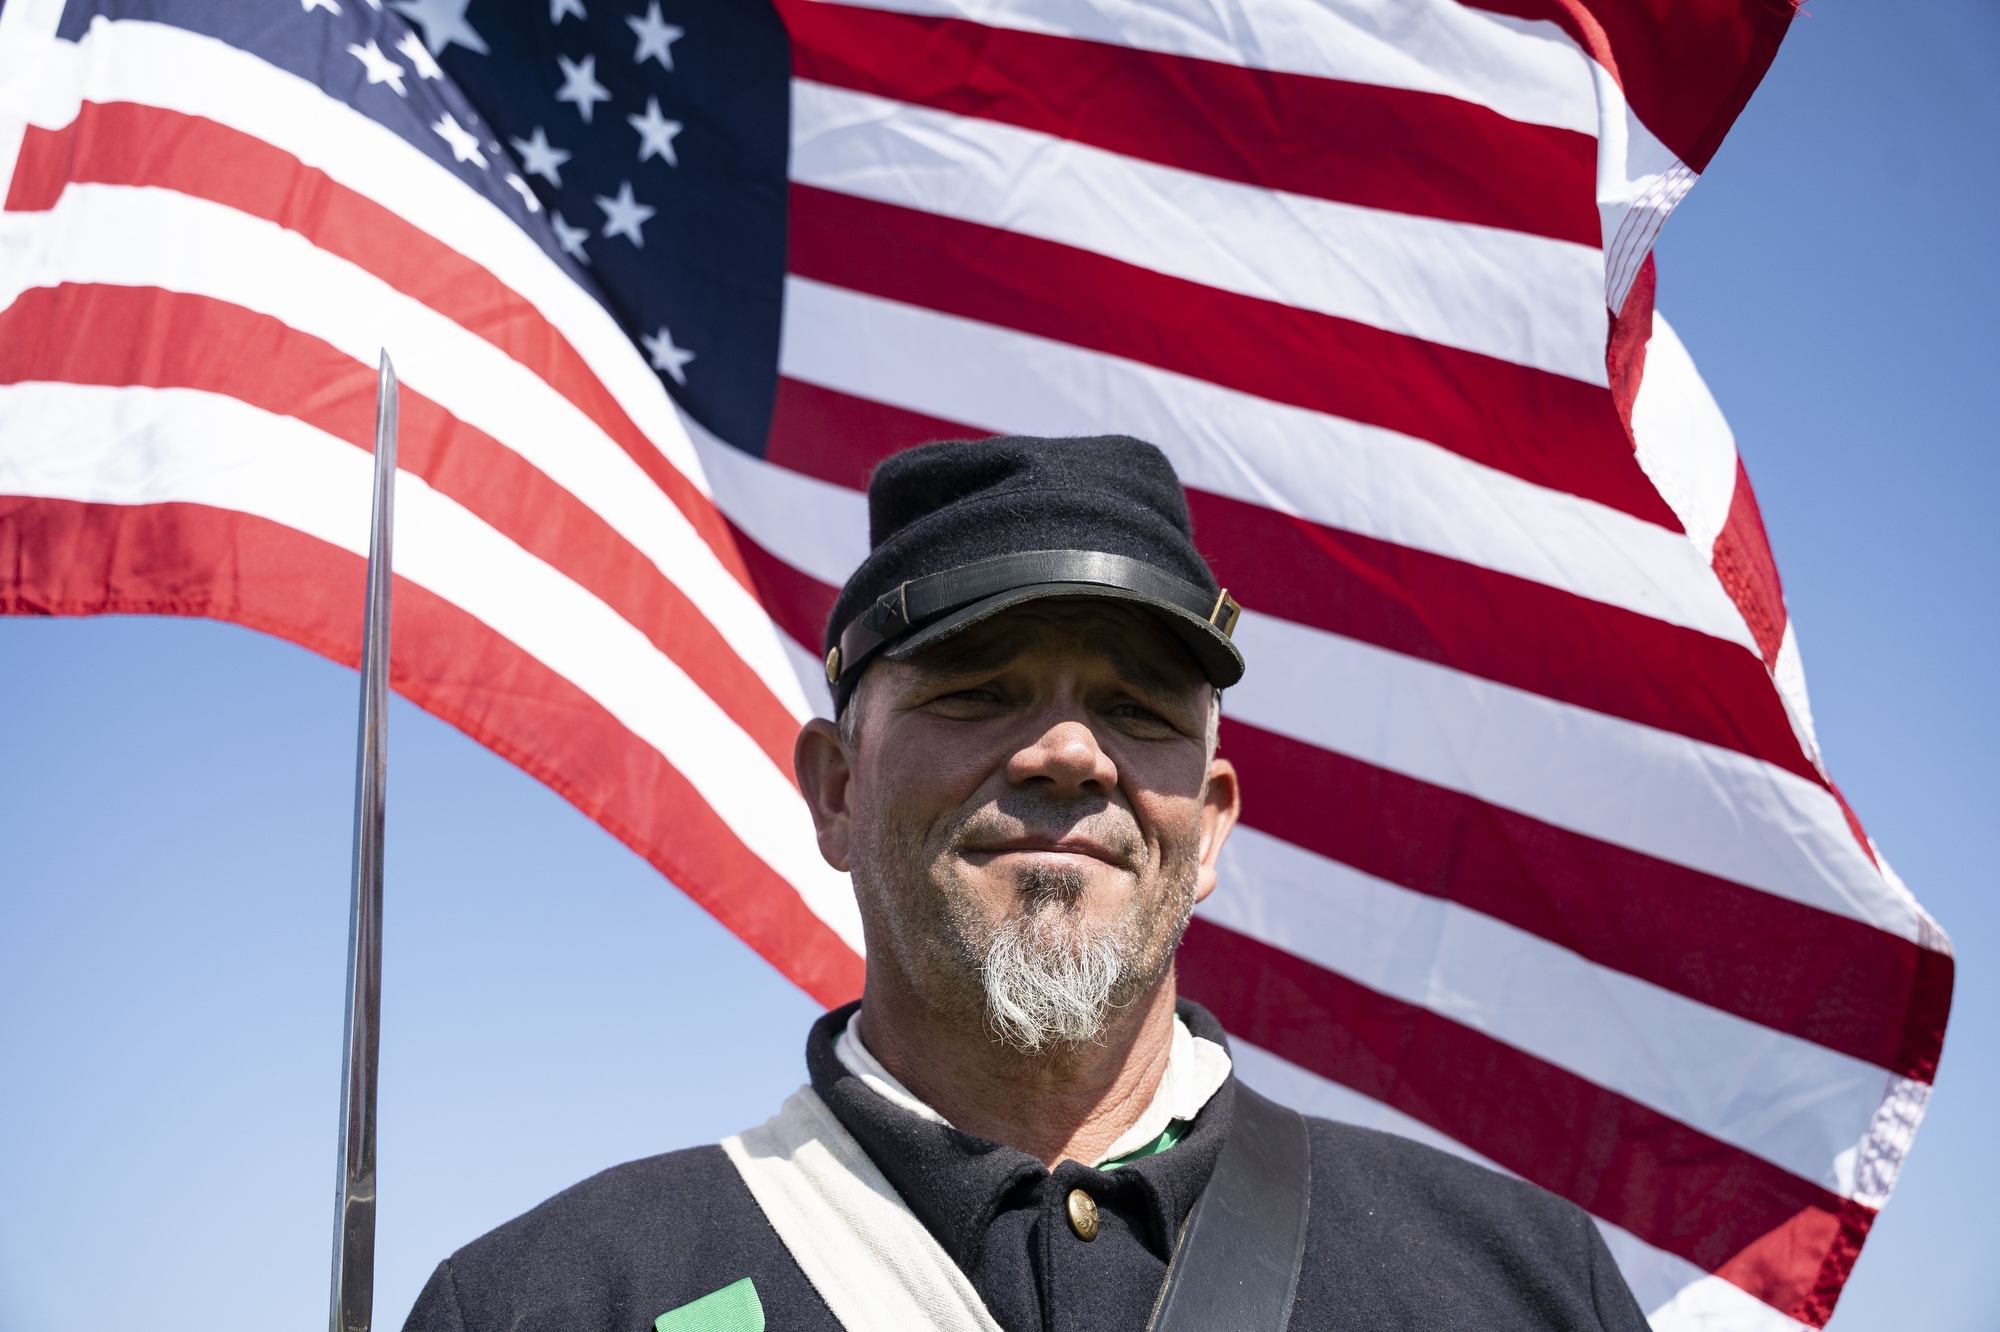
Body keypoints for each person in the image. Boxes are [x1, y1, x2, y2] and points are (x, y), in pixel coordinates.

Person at [403, 435, 1649, 1332]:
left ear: (1207, 827)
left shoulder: (1521, 1288)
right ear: (835, 789)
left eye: (1133, 707)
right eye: (977, 692)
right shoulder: (547, 1303)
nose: (1064, 753)